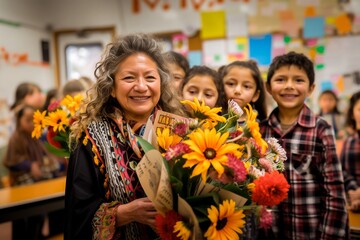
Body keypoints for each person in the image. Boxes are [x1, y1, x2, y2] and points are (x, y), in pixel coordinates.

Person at [65, 33, 185, 239]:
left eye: (150, 77)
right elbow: (77, 214)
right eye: (129, 77)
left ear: (161, 84)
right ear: (111, 88)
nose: (141, 86)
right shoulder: (91, 139)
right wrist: (122, 214)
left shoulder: (180, 130)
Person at [260, 51, 349, 239]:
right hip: (270, 232)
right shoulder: (260, 130)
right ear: (268, 87)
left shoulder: (320, 129)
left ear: (310, 88)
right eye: (281, 79)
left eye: (299, 80)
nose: (289, 86)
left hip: (309, 231)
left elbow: (334, 191)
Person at [340, 91, 360, 210]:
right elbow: (342, 171)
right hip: (353, 201)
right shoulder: (349, 142)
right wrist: (354, 191)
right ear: (352, 114)